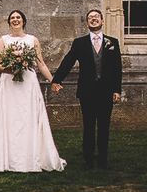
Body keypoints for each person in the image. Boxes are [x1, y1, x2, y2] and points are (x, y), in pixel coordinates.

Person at [0, 9, 66, 172]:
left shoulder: (33, 40)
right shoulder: (4, 40)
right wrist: (10, 68)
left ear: (23, 21)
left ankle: (29, 156)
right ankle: (6, 159)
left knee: (28, 116)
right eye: (12, 18)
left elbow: (41, 64)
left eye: (18, 17)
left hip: (28, 84)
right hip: (9, 82)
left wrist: (53, 80)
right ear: (9, 22)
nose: (15, 20)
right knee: (9, 117)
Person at [51, 9, 122, 169]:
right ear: (87, 23)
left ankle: (103, 158)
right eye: (90, 18)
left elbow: (117, 68)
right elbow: (68, 61)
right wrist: (57, 79)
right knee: (88, 125)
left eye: (96, 17)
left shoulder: (112, 42)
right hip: (87, 91)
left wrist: (117, 90)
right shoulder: (80, 43)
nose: (93, 19)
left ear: (102, 21)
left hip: (106, 91)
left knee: (104, 125)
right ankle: (88, 158)